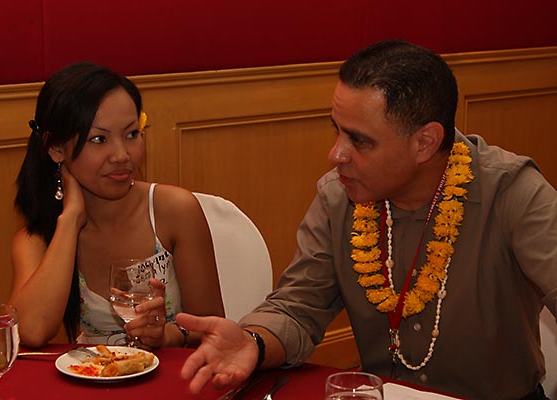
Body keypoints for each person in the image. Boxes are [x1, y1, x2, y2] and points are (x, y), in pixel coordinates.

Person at [175, 40, 557, 399]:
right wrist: (254, 342)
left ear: (425, 142)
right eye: (337, 131)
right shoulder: (338, 196)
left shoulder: (513, 193)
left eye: (359, 140)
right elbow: (297, 307)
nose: (336, 154)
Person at [9, 61, 224, 349]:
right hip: (91, 375)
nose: (122, 155)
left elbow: (213, 331)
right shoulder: (38, 239)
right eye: (99, 139)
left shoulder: (174, 210)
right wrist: (71, 219)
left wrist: (166, 335)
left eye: (131, 134)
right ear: (56, 148)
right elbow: (32, 331)